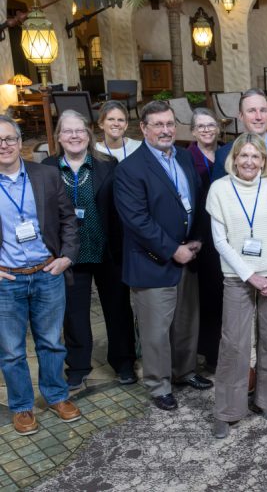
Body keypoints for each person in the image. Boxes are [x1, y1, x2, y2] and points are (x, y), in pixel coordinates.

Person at [114, 101, 213, 411]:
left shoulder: (184, 156)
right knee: (156, 330)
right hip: (152, 261)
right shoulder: (130, 169)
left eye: (170, 123)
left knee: (186, 322)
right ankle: (159, 385)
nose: (166, 130)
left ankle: (184, 371)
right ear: (143, 128)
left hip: (188, 255)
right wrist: (173, 249)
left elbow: (196, 200)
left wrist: (195, 239)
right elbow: (137, 221)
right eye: (157, 125)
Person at [42, 110, 137, 390]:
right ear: (59, 137)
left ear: (89, 134)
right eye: (68, 131)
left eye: (80, 131)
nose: (74, 136)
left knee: (118, 308)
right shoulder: (47, 168)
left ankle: (123, 362)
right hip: (68, 253)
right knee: (74, 313)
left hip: (108, 248)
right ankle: (79, 365)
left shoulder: (108, 164)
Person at [206, 133, 267, 439]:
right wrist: (249, 275)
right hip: (237, 277)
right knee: (234, 344)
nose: (249, 161)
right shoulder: (219, 189)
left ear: (263, 161)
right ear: (234, 159)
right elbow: (220, 241)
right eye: (243, 155)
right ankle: (227, 410)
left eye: (255, 156)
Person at [0, 115, 81, 436]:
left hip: (48, 273)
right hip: (7, 281)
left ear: (21, 143)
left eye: (9, 139)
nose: (3, 145)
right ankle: (21, 407)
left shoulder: (46, 175)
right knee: (11, 350)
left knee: (51, 342)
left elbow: (68, 220)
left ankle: (57, 396)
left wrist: (66, 257)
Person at [187, 108, 224, 371]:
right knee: (206, 294)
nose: (206, 130)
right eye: (201, 126)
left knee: (226, 292)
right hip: (201, 232)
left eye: (210, 125)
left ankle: (226, 346)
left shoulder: (226, 153)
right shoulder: (186, 158)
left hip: (227, 229)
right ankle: (209, 351)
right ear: (192, 131)